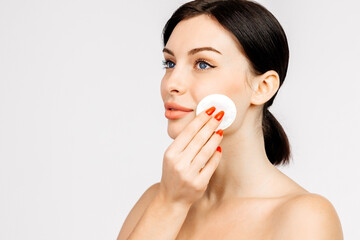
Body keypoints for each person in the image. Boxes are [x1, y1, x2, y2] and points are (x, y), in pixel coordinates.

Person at [117, 0, 343, 239]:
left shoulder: (304, 217)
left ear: (263, 87)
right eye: (170, 63)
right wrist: (170, 205)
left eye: (202, 64)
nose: (172, 83)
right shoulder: (157, 200)